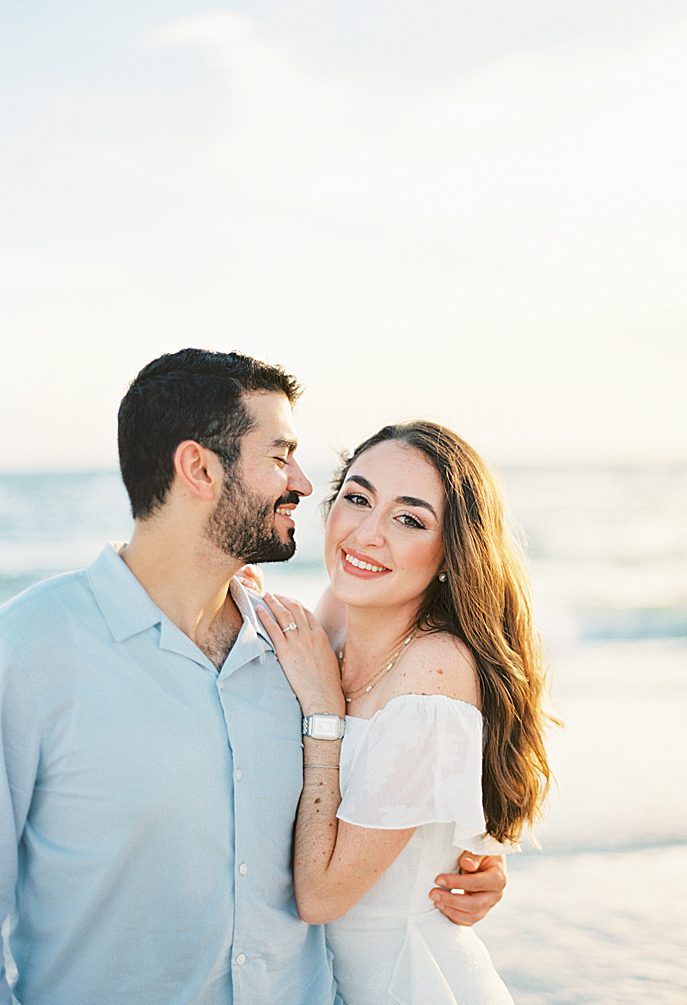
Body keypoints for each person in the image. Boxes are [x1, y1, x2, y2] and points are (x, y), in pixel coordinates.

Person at [0, 349, 506, 1004]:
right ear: (199, 468)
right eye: (279, 455)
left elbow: (383, 801)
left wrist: (451, 869)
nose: (302, 481)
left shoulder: (289, 651)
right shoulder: (33, 648)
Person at [253, 421, 554, 1003]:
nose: (366, 534)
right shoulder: (340, 612)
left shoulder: (434, 672)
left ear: (451, 552)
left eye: (409, 519)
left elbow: (321, 898)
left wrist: (324, 713)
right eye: (358, 499)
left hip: (407, 983)